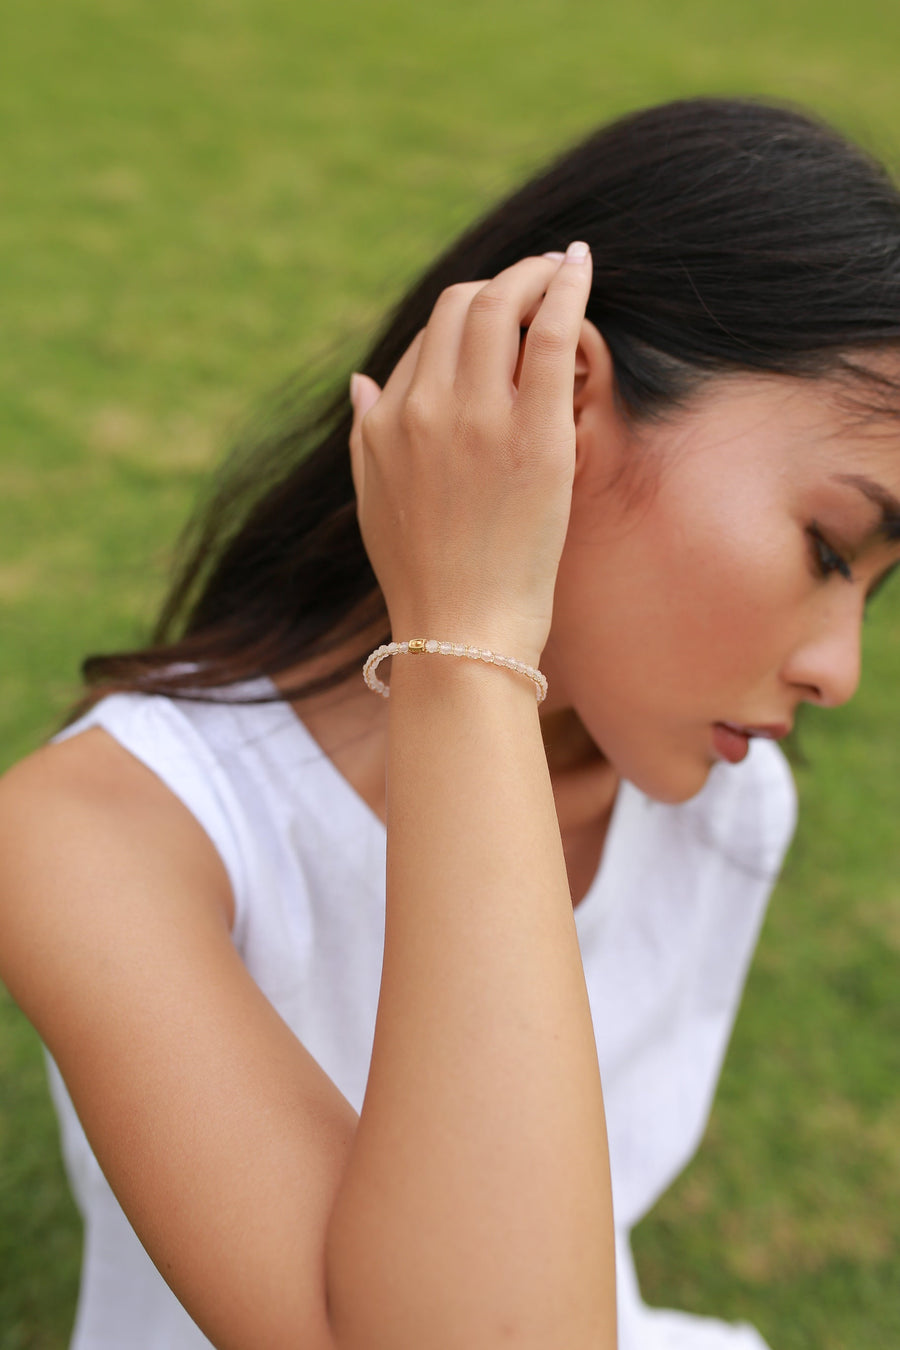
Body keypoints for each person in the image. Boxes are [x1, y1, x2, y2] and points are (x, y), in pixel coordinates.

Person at [2, 95, 900, 1350]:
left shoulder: (725, 805)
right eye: (826, 546)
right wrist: (470, 647)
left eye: (872, 587)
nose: (840, 671)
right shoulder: (93, 837)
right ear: (562, 404)